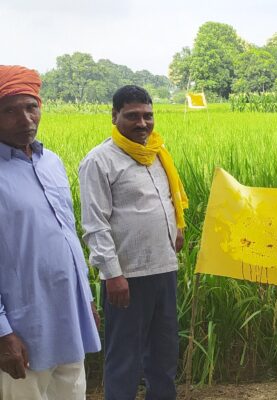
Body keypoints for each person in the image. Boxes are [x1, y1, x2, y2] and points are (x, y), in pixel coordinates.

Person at [79, 85, 188, 400]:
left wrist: (175, 228)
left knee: (164, 355)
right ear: (114, 116)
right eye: (132, 116)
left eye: (148, 115)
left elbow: (167, 199)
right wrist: (113, 274)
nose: (142, 123)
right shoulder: (99, 161)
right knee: (124, 358)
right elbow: (95, 224)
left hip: (164, 268)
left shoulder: (155, 153)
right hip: (126, 276)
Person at [0, 65, 101, 399]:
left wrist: (85, 299)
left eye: (31, 107)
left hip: (69, 318)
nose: (26, 118)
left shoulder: (52, 162)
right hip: (21, 331)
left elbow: (68, 238)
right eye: (10, 110)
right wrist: (3, 333)